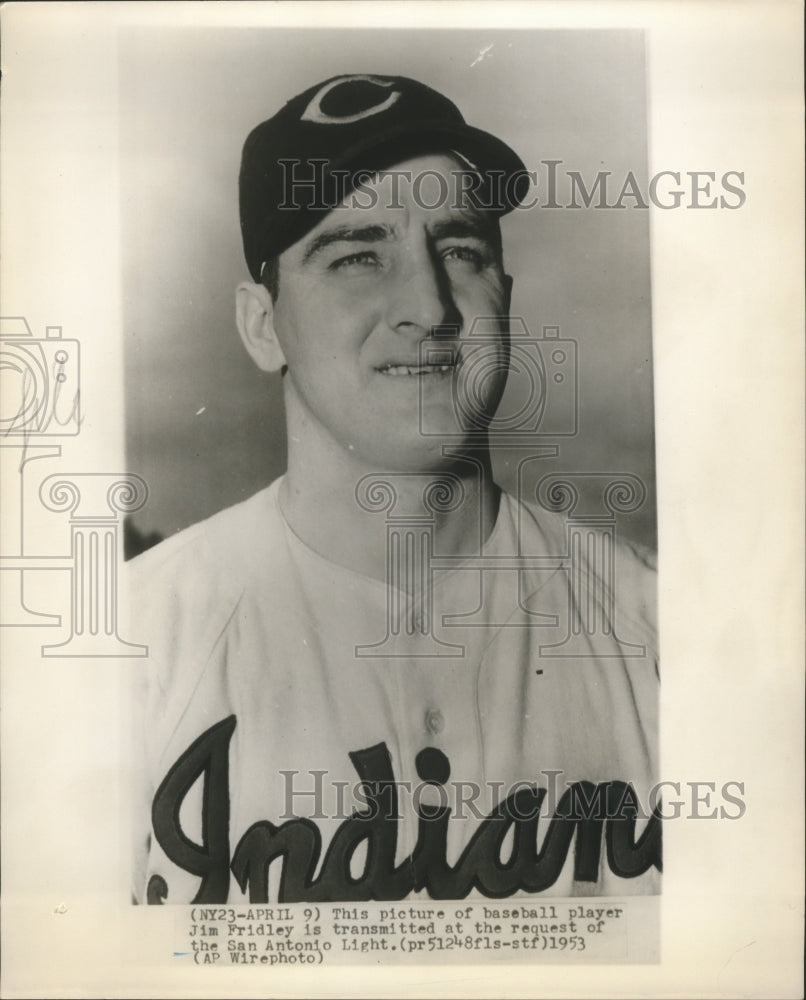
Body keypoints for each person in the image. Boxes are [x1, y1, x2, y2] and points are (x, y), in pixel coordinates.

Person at [130, 74, 659, 906]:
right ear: (261, 326)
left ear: (505, 297)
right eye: (357, 256)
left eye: (460, 252)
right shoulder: (128, 650)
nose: (429, 305)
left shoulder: (665, 636)